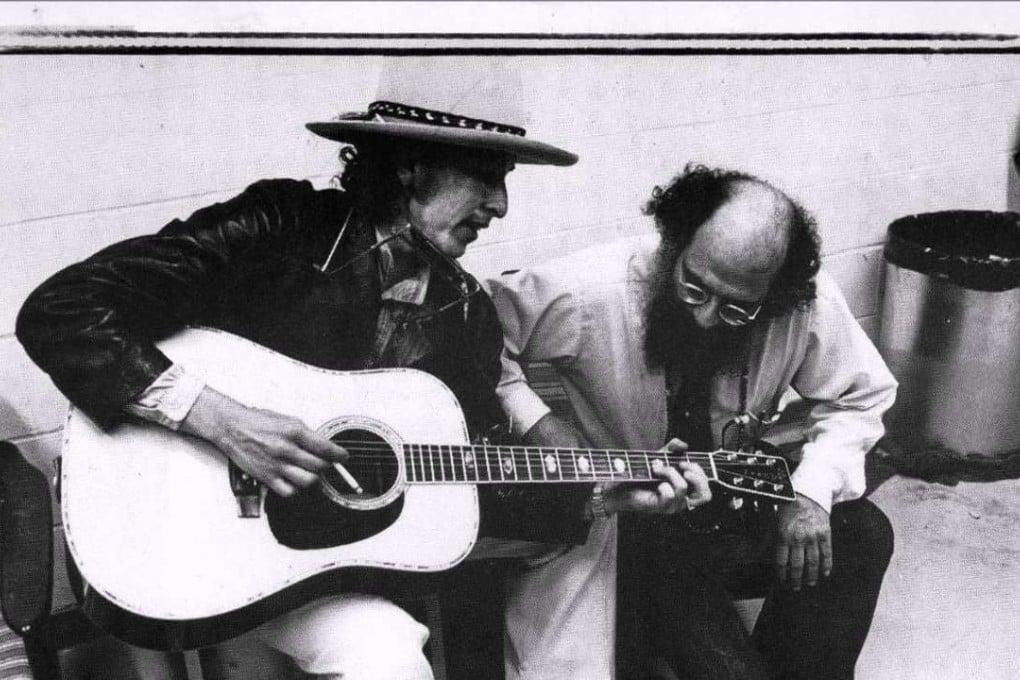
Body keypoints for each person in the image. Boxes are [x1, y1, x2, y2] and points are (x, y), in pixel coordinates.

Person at [15, 60, 710, 680]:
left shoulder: (465, 315)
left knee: (387, 657)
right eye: (488, 176)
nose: (500, 206)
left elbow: (460, 487)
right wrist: (224, 421)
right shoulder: (280, 227)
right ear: (410, 164)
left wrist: (600, 495)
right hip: (173, 546)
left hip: (310, 579)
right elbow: (63, 311)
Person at [490, 164, 898, 680]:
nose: (705, 317)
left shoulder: (802, 300)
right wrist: (541, 424)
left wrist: (812, 492)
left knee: (862, 533)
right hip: (637, 522)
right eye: (694, 288)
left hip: (732, 500)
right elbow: (475, 334)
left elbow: (862, 396)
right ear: (673, 245)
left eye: (736, 309)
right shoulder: (592, 287)